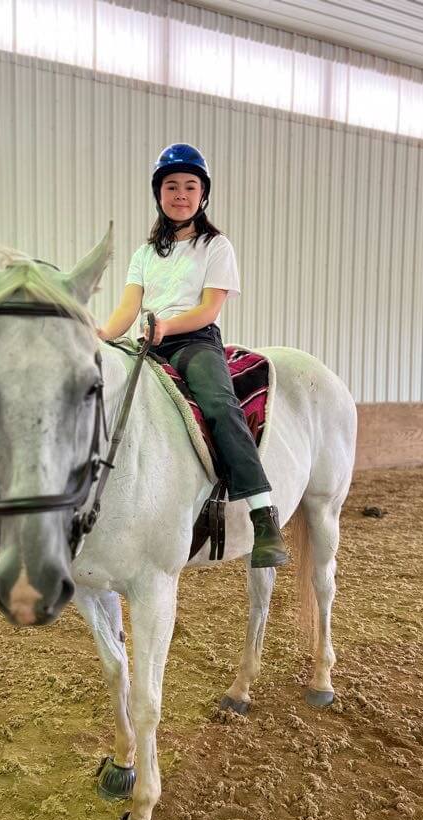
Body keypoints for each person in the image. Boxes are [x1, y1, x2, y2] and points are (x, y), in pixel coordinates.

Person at [98, 143, 288, 568]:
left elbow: (208, 309)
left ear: (202, 195)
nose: (180, 194)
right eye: (171, 187)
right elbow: (127, 309)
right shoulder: (144, 255)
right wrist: (100, 333)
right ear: (159, 194)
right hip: (148, 342)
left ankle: (262, 514)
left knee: (221, 407)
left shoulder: (216, 246)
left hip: (194, 342)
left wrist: (166, 326)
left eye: (189, 186)